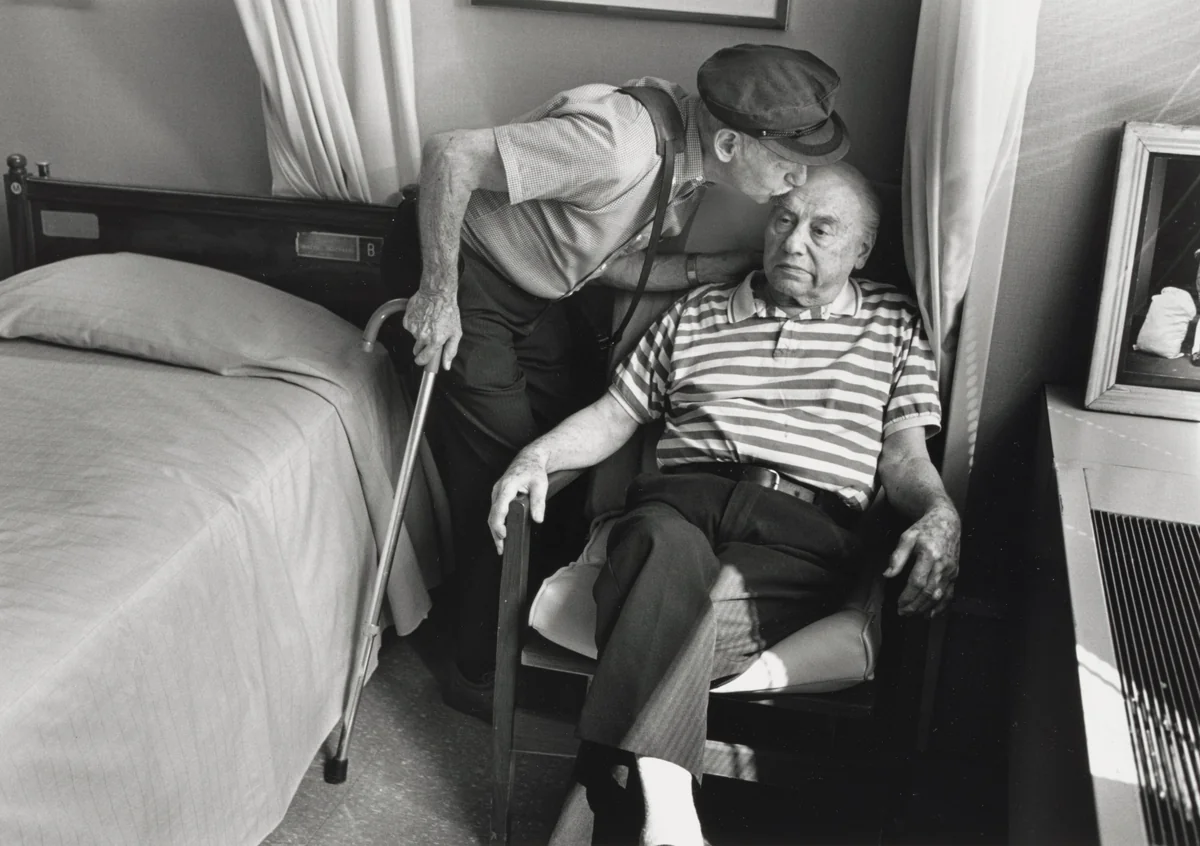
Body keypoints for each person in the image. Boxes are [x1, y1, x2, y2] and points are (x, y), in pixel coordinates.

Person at [487, 163, 961, 846]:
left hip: (803, 529)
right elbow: (613, 417)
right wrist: (535, 458)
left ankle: (618, 796)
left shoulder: (892, 323)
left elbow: (905, 457)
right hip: (680, 501)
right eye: (784, 219)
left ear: (861, 251)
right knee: (656, 546)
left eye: (822, 229)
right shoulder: (698, 311)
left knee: (664, 604)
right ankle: (671, 816)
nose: (793, 242)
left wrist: (941, 512)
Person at [402, 43, 855, 720]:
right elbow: (449, 156)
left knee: (573, 445)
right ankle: (475, 668)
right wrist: (438, 291)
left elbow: (603, 259)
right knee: (507, 472)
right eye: (789, 165)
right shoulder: (620, 144)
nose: (796, 181)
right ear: (730, 142)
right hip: (467, 271)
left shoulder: (688, 160)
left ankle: (520, 625)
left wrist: (720, 270)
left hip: (536, 293)